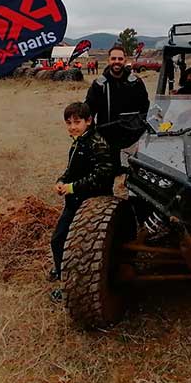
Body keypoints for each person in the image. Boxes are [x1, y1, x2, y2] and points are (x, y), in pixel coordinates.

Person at [49, 102, 115, 301]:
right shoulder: (78, 141)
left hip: (92, 206)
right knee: (61, 240)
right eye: (68, 123)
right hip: (75, 201)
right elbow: (72, 169)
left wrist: (72, 187)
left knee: (68, 243)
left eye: (77, 122)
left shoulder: (97, 143)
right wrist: (62, 180)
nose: (72, 127)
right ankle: (62, 271)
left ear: (89, 121)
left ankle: (68, 286)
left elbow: (103, 175)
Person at [85, 46, 150, 167]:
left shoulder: (136, 83)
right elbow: (89, 110)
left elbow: (145, 108)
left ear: (125, 60)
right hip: (108, 139)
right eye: (113, 58)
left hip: (132, 138)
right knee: (108, 173)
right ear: (108, 60)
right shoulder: (99, 85)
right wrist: (92, 134)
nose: (117, 61)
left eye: (120, 58)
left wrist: (139, 128)